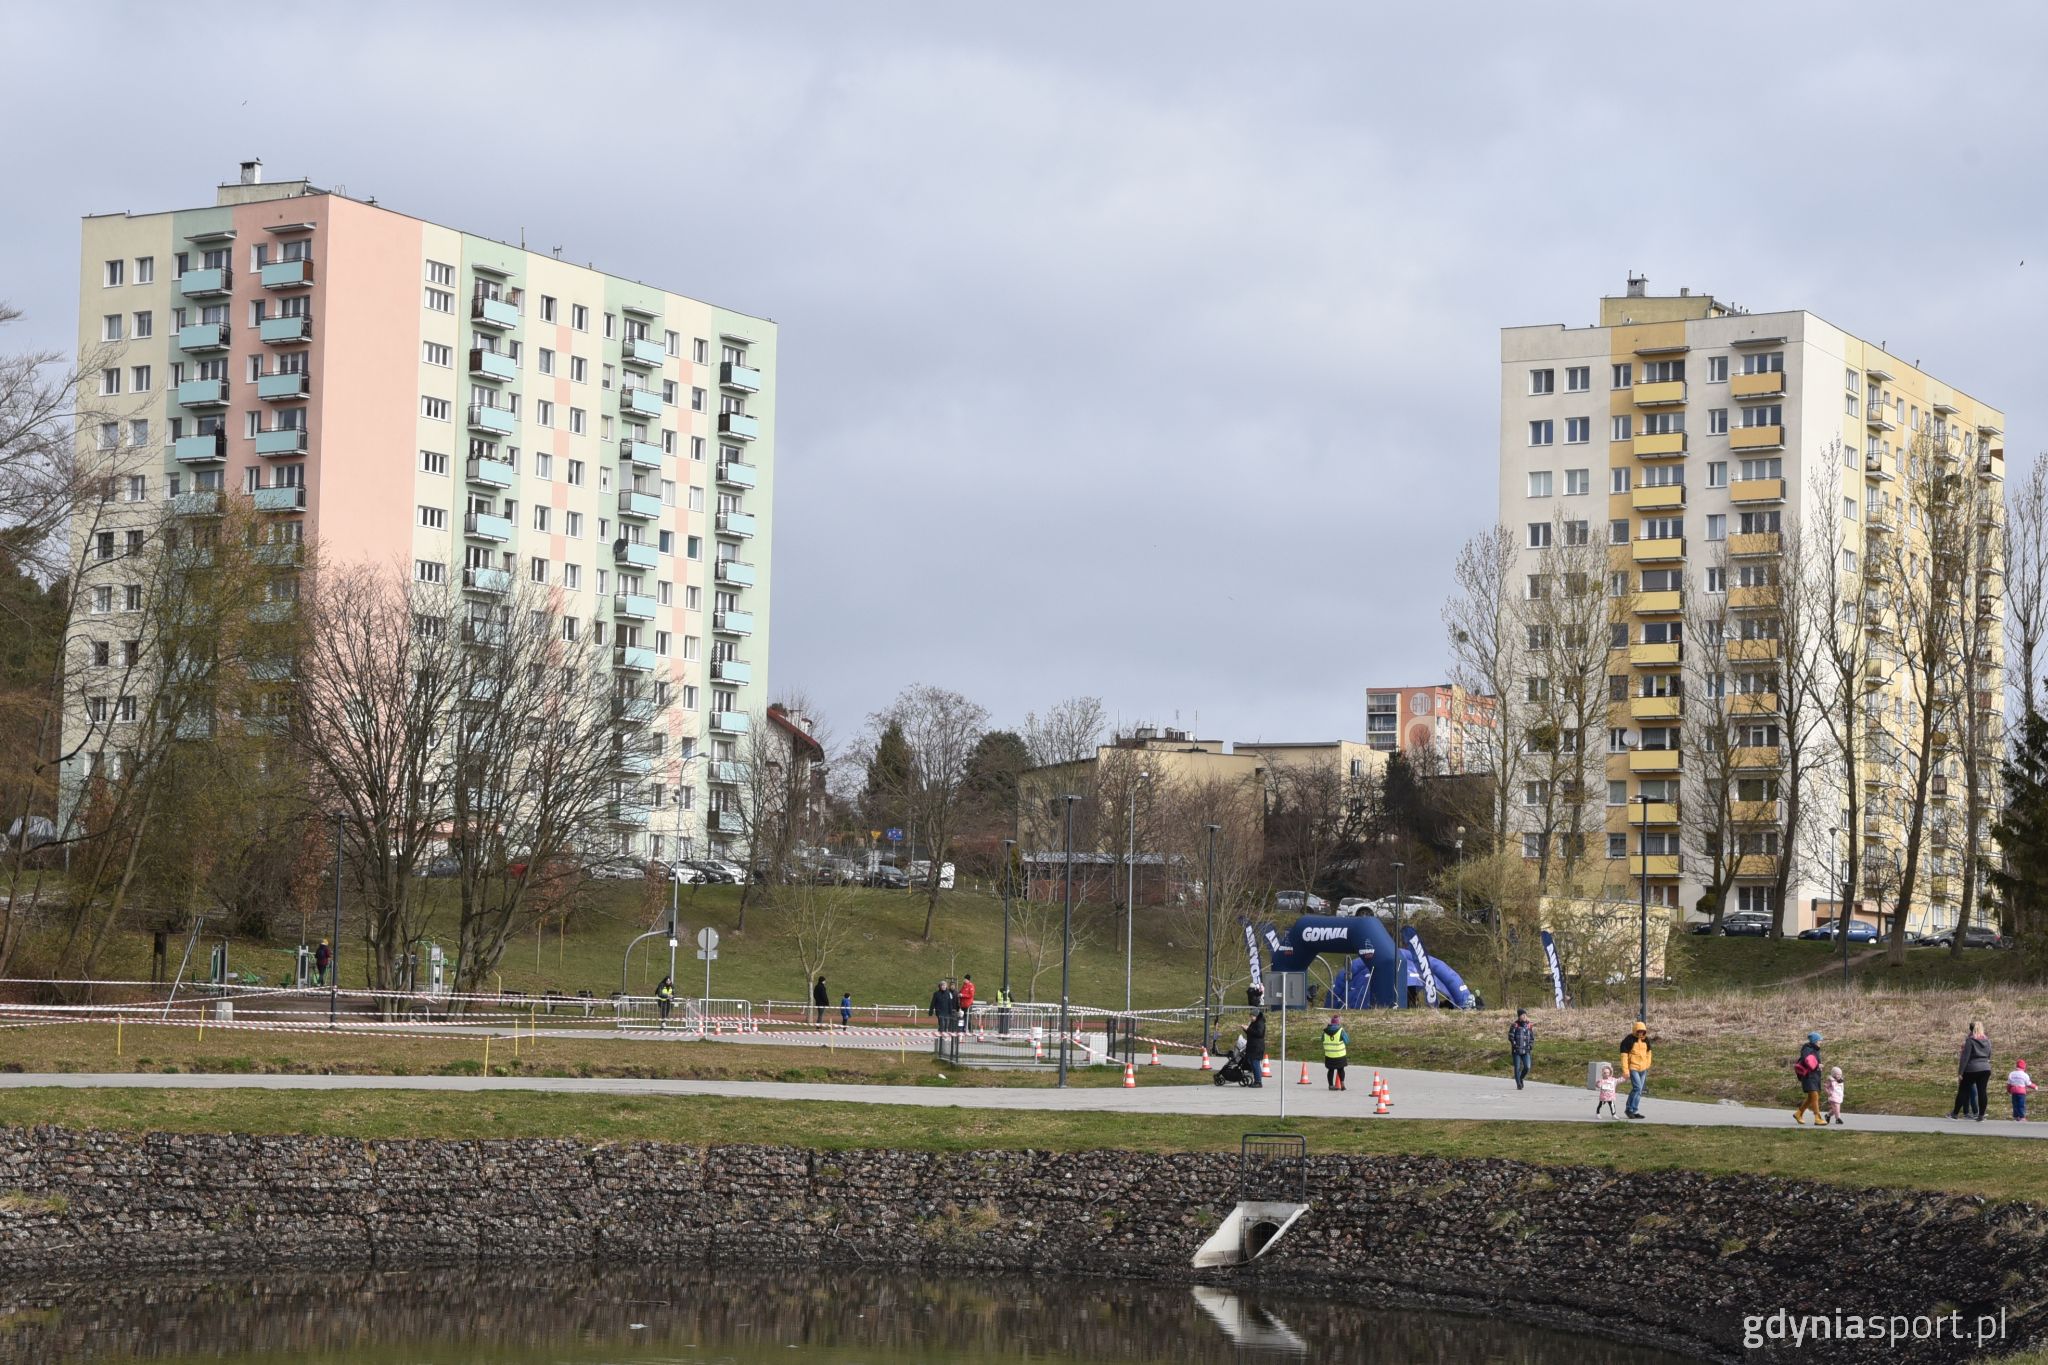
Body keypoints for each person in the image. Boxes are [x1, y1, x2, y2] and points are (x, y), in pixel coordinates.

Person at [1951, 1021, 1993, 1121]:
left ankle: (1955, 1113)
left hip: (1972, 1068)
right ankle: (1981, 1115)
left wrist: (1960, 1072)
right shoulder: (1988, 1041)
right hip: (1985, 1068)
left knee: (1963, 1090)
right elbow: (1989, 1055)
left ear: (1971, 1029)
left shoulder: (1970, 1041)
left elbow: (1965, 1057)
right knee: (1982, 1091)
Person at [1618, 1021, 1653, 1120]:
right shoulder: (1628, 1040)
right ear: (1635, 1030)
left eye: (1642, 1031)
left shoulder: (1646, 1040)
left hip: (1643, 1069)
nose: (1641, 1033)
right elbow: (1624, 1056)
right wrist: (1625, 1071)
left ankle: (1634, 1111)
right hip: (1633, 1068)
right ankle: (1629, 1109)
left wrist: (1647, 1064)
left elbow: (1649, 1053)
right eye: (1639, 1031)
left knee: (1640, 1090)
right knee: (1637, 1088)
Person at [1792, 1031, 1825, 1125]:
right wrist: (1817, 1065)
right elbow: (1808, 1061)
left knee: (1811, 1097)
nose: (1821, 1042)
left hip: (1814, 1076)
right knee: (1814, 1096)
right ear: (1815, 1041)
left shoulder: (1815, 1049)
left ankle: (1798, 1113)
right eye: (1819, 1040)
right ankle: (1817, 1118)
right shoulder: (1807, 1048)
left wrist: (1819, 1066)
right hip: (1808, 1076)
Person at [1242, 987, 1268, 1087]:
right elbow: (1252, 1033)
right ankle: (1257, 1079)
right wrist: (1246, 1029)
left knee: (1255, 1063)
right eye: (1250, 1016)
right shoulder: (1255, 1022)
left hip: (1257, 1047)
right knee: (1252, 1062)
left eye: (1252, 1016)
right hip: (1253, 1045)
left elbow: (1259, 1033)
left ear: (1256, 1016)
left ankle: (1258, 1081)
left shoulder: (1260, 1023)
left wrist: (1248, 1029)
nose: (1251, 1018)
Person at [1319, 1014, 1350, 1090]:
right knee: (1341, 1069)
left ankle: (1331, 1085)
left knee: (1331, 1070)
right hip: (1340, 1055)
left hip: (1329, 1054)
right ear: (1338, 1023)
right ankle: (1342, 1084)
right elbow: (1347, 1041)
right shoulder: (1341, 1031)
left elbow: (1322, 1040)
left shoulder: (1325, 1031)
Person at [1507, 1009, 1535, 1090]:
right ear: (1519, 1016)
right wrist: (1514, 1044)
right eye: (1523, 1015)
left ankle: (1521, 1078)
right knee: (1517, 1067)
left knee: (1527, 1067)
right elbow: (1510, 1036)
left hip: (1526, 1050)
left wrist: (1530, 1045)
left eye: (1525, 1015)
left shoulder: (1529, 1025)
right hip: (1516, 1051)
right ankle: (1518, 1084)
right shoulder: (1515, 1025)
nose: (1525, 1016)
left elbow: (1532, 1038)